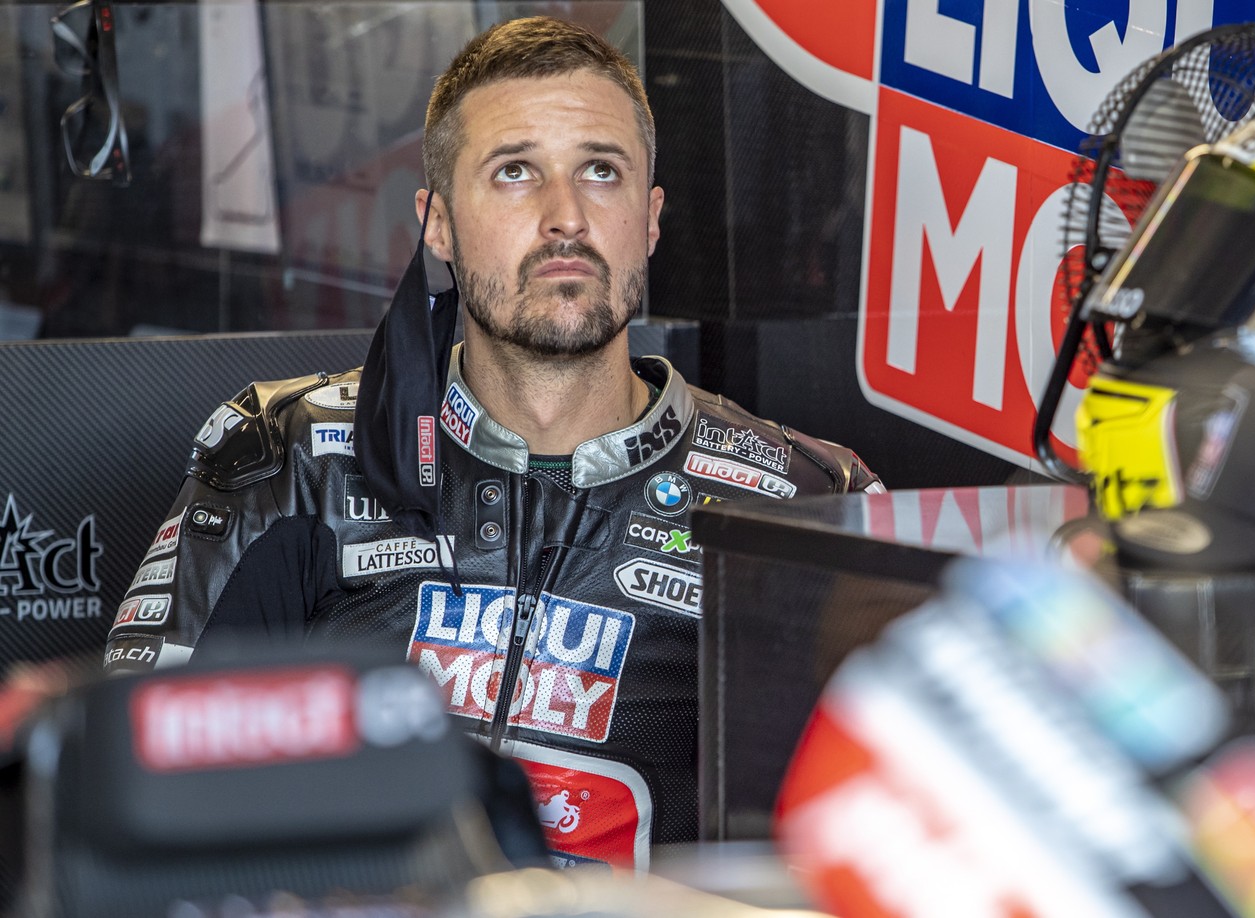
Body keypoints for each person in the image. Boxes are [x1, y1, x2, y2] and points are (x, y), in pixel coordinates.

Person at [102, 16, 881, 871]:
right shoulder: (292, 462)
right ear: (436, 223)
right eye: (515, 173)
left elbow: (893, 847)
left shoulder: (806, 505)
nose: (566, 218)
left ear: (650, 219)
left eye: (601, 171)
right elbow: (131, 792)